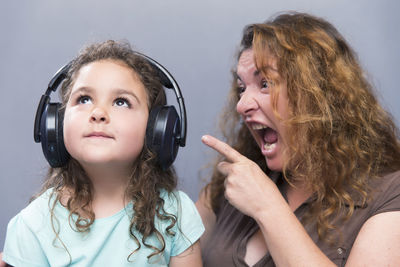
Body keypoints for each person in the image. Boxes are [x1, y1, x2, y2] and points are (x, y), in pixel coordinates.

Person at [196, 12, 400, 266]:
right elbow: (168, 249)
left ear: (317, 95)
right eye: (241, 88)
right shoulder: (234, 180)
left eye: (265, 84)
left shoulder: (390, 194)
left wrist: (267, 207)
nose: (242, 104)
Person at [2, 40, 204, 266]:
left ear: (156, 128)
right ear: (56, 124)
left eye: (121, 102)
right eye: (84, 99)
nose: (98, 113)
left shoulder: (175, 214)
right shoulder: (32, 225)